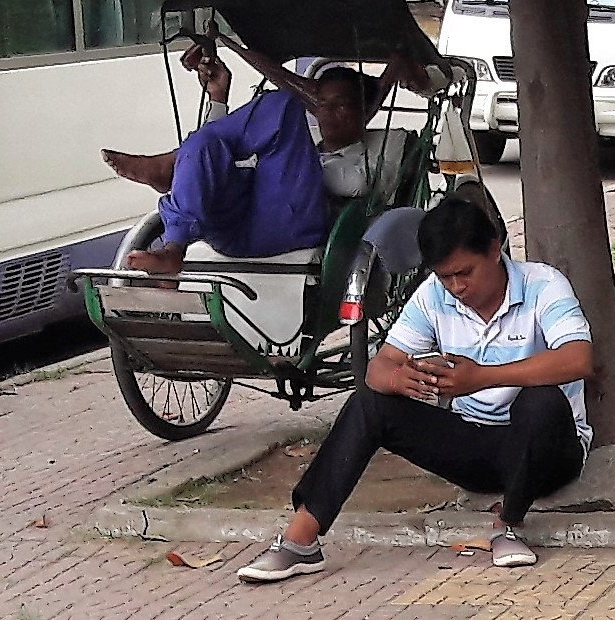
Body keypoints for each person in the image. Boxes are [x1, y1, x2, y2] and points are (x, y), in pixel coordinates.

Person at [236, 196, 594, 581]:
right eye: (445, 277)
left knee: (540, 401)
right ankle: (300, 541)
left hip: (549, 453)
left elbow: (578, 359)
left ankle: (507, 526)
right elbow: (378, 368)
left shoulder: (543, 284)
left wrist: (483, 377)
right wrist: (398, 379)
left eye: (465, 273)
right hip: (476, 447)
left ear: (494, 250)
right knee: (369, 403)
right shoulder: (432, 296)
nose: (456, 287)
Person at [102, 26, 425, 274]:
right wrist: (219, 97)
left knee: (283, 104)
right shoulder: (297, 144)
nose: (328, 112)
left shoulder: (374, 152)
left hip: (294, 227)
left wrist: (396, 65)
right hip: (235, 228)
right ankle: (173, 247)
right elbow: (221, 153)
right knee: (209, 145)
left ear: (364, 110)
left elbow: (356, 186)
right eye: (322, 104)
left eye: (342, 105)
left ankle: (172, 166)